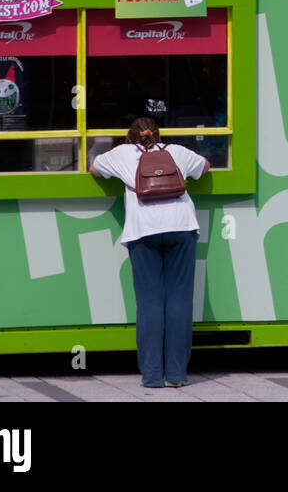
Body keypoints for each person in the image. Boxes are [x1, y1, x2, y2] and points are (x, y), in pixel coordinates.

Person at [90, 118, 210, 389]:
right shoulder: (176, 151)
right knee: (179, 299)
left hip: (143, 230)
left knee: (150, 303)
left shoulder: (122, 154)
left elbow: (94, 169)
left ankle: (153, 376)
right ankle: (177, 375)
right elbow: (205, 166)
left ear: (130, 138)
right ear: (157, 135)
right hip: (181, 227)